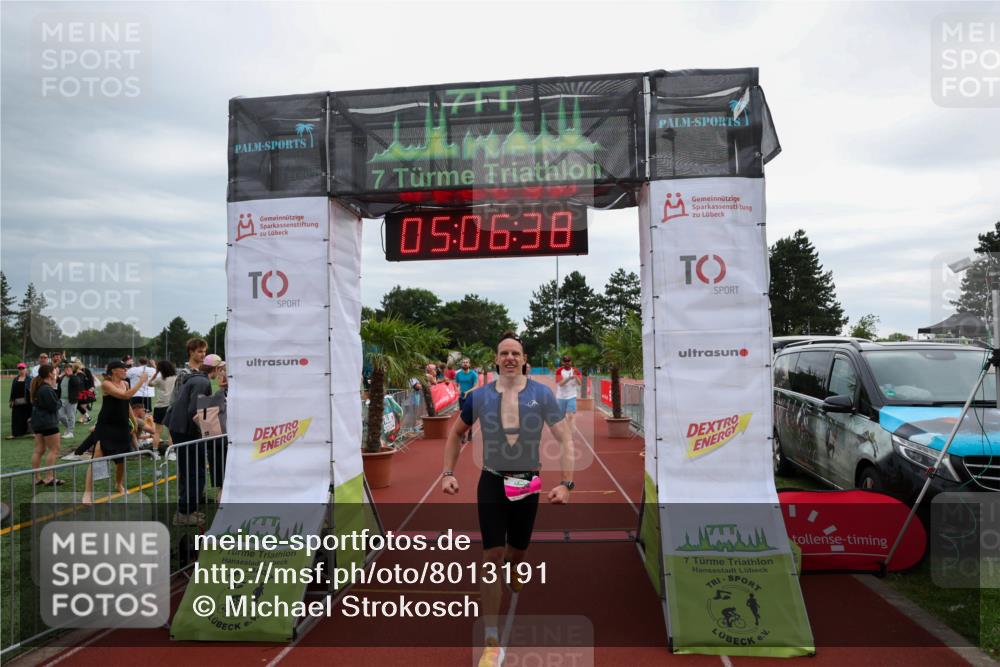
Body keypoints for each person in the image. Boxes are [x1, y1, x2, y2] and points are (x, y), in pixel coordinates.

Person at [441, 331, 575, 667]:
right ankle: (491, 638)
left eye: (515, 353)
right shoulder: (480, 396)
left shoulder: (542, 395)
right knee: (491, 555)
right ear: (497, 359)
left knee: (517, 551)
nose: (510, 358)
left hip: (527, 483)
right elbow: (456, 433)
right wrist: (448, 473)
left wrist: (567, 484)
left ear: (524, 357)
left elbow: (565, 439)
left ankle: (516, 565)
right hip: (492, 481)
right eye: (504, 353)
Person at [80, 361, 149, 505]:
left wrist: (134, 421)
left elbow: (126, 403)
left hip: (122, 425)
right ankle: (87, 493)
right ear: (113, 371)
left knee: (121, 460)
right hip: (106, 426)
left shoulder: (126, 384)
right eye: (122, 368)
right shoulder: (106, 384)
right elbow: (125, 396)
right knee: (96, 457)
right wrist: (141, 382)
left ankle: (118, 484)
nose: (125, 370)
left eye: (126, 368)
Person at [165, 342, 218, 526]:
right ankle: (183, 512)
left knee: (192, 470)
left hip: (180, 427)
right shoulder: (201, 381)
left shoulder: (197, 378)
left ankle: (188, 508)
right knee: (195, 471)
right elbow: (193, 411)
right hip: (186, 430)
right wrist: (205, 430)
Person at [29, 364, 64, 486]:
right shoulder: (46, 389)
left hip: (38, 422)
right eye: (54, 371)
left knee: (39, 449)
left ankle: (36, 478)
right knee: (54, 449)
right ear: (50, 374)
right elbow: (54, 406)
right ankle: (49, 477)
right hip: (48, 422)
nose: (56, 373)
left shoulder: (41, 387)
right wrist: (59, 401)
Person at [149, 359, 177, 452]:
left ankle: (155, 453)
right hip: (172, 407)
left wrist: (156, 372)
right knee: (171, 432)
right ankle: (172, 453)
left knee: (157, 432)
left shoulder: (159, 379)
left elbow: (149, 383)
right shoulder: (176, 377)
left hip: (160, 407)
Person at [555, 355, 582, 434]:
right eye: (565, 361)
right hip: (561, 397)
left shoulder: (576, 370)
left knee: (570, 415)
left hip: (572, 396)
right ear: (563, 362)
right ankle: (563, 429)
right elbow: (560, 384)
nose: (567, 363)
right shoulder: (559, 371)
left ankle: (569, 432)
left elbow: (580, 383)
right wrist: (569, 378)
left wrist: (576, 376)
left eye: (569, 361)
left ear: (571, 362)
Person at [455, 358, 479, 444]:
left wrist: (467, 392)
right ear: (461, 364)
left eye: (466, 362)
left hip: (471, 396)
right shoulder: (458, 374)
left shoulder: (473, 374)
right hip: (462, 397)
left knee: (470, 416)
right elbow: (457, 384)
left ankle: (470, 431)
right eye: (463, 362)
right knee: (462, 415)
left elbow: (476, 386)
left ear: (469, 364)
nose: (465, 364)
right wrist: (457, 390)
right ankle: (463, 434)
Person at [8, 363, 31, 439]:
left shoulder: (29, 379)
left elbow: (32, 390)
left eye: (23, 368)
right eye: (20, 369)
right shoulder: (15, 379)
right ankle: (15, 433)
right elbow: (12, 390)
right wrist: (11, 400)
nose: (21, 370)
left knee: (27, 416)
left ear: (26, 369)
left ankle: (28, 432)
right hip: (17, 402)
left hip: (27, 402)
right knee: (16, 417)